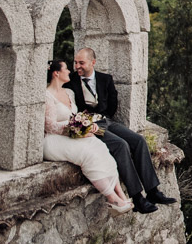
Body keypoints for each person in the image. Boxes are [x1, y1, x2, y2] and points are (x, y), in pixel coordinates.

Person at [65, 47, 176, 214]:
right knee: (120, 145)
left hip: (106, 120)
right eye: (75, 62)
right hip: (88, 126)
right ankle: (137, 198)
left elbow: (112, 104)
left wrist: (103, 118)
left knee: (138, 140)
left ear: (93, 62)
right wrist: (87, 123)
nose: (77, 66)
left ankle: (153, 191)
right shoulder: (70, 81)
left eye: (81, 63)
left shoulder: (105, 79)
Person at [44, 60, 132, 214]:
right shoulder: (47, 95)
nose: (69, 71)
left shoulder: (69, 92)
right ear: (56, 73)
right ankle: (112, 198)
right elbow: (50, 125)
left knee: (100, 146)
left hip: (72, 134)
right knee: (88, 153)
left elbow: (77, 116)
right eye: (66, 69)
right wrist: (76, 128)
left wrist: (89, 125)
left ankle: (121, 195)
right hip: (53, 139)